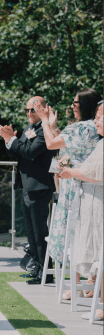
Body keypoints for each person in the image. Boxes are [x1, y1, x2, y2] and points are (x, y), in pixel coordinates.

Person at [33, 88, 101, 289]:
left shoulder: (84, 127)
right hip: (86, 185)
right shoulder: (91, 127)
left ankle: (78, 286)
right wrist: (53, 127)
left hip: (76, 186)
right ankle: (86, 282)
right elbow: (68, 144)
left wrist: (44, 120)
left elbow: (52, 144)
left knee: (73, 235)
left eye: (75, 103)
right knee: (82, 235)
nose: (72, 107)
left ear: (86, 105)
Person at [0, 96, 57, 285]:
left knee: (40, 233)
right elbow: (17, 152)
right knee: (31, 234)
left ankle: (46, 272)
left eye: (33, 109)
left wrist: (12, 139)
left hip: (39, 187)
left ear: (42, 109)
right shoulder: (28, 129)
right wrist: (8, 140)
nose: (29, 113)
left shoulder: (43, 131)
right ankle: (37, 268)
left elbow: (30, 152)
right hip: (26, 186)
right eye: (27, 110)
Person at [54, 107, 103, 320]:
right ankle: (100, 302)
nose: (97, 121)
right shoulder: (101, 143)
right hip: (92, 201)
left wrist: (70, 172)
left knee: (100, 252)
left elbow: (96, 174)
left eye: (100, 118)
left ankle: (101, 305)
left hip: (99, 202)